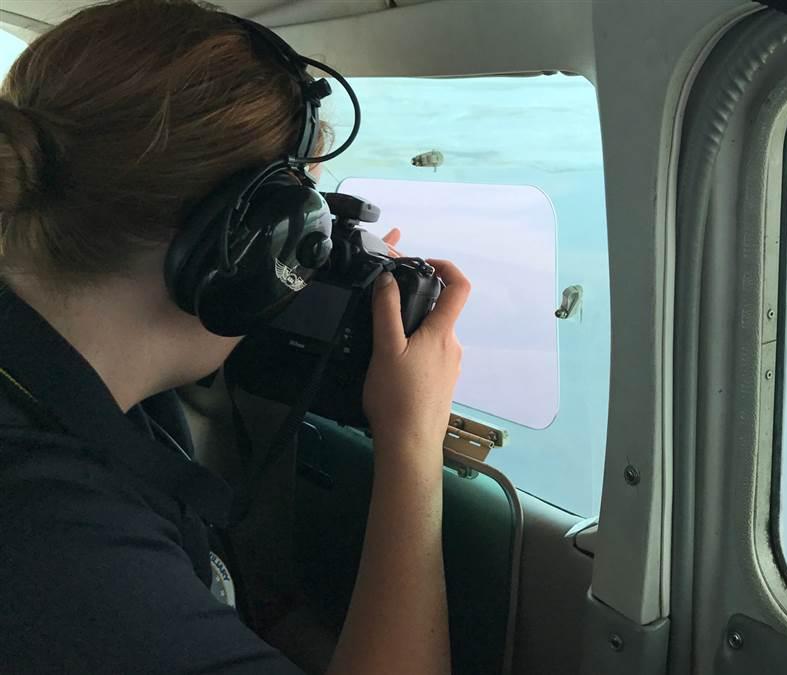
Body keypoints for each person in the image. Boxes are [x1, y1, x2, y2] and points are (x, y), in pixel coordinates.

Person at [0, 1, 466, 673]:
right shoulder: (57, 546)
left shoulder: (72, 397)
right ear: (234, 252)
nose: (303, 262)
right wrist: (413, 439)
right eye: (299, 233)